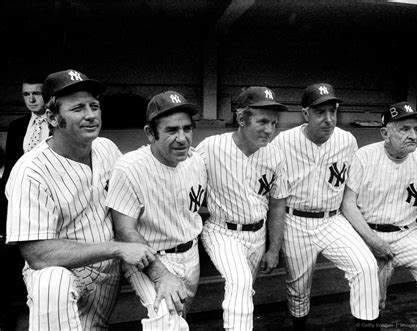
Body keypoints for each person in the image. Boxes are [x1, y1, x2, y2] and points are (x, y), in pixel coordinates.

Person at [5, 69, 157, 330]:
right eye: (78, 108)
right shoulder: (30, 171)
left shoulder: (106, 148)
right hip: (65, 275)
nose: (91, 115)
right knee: (52, 281)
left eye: (94, 106)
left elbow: (128, 200)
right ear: (52, 117)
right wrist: (118, 248)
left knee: (162, 299)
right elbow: (37, 255)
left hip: (108, 274)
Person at [341, 101, 417, 330]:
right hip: (367, 234)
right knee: (370, 298)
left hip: (407, 234)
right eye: (404, 129)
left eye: (416, 129)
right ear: (385, 133)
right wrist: (373, 241)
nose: (413, 135)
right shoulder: (364, 157)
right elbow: (347, 205)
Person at [272, 83, 380, 331]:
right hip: (295, 220)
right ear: (305, 113)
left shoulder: (347, 141)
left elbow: (349, 192)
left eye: (333, 111)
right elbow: (274, 197)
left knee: (366, 267)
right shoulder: (283, 143)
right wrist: (274, 242)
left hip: (332, 219)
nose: (329, 119)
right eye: (321, 112)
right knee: (298, 290)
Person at [106, 91, 207, 331]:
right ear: (150, 133)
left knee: (179, 319)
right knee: (164, 321)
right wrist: (161, 275)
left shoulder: (196, 162)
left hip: (189, 253)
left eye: (187, 129)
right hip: (148, 256)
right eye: (171, 130)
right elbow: (124, 230)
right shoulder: (129, 167)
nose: (182, 138)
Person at [196, 86, 288, 330]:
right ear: (241, 119)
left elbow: (278, 205)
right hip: (222, 231)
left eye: (274, 123)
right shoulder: (211, 147)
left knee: (245, 292)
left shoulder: (275, 154)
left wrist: (274, 248)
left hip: (257, 236)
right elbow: (183, 178)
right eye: (262, 121)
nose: (269, 130)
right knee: (240, 281)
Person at [0, 74, 48, 329]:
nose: (31, 99)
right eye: (26, 94)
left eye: (36, 94)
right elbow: (8, 172)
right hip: (20, 201)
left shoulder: (57, 124)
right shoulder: (18, 126)